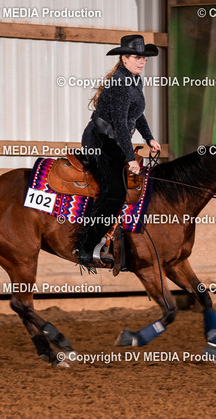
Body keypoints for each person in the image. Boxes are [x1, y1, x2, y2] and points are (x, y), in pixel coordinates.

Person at [74, 35, 161, 269]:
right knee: (114, 191)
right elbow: (121, 124)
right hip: (100, 140)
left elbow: (137, 115)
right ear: (124, 58)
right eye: (136, 57)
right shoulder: (120, 84)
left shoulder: (134, 80)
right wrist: (130, 158)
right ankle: (86, 247)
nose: (142, 61)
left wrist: (149, 137)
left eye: (144, 58)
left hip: (114, 140)